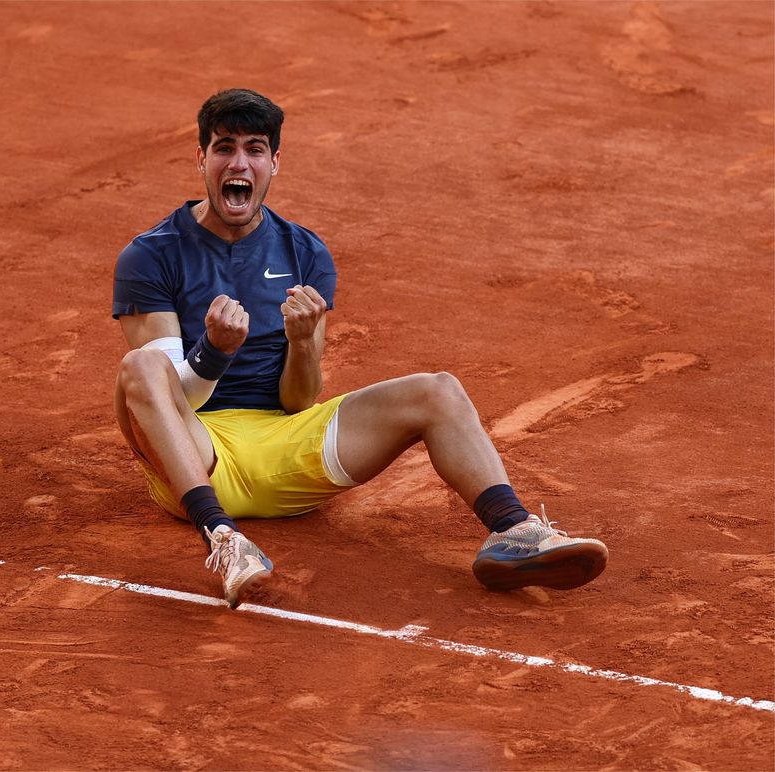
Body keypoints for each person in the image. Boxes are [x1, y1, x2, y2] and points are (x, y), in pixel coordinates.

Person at [113, 88, 608, 609]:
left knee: (438, 391)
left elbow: (298, 401)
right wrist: (213, 353)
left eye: (255, 149)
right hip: (197, 457)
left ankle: (513, 530)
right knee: (141, 366)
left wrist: (303, 342)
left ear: (274, 163)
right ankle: (224, 539)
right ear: (201, 159)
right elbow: (167, 397)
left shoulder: (304, 252)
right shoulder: (151, 256)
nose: (239, 163)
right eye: (224, 148)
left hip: (285, 451)